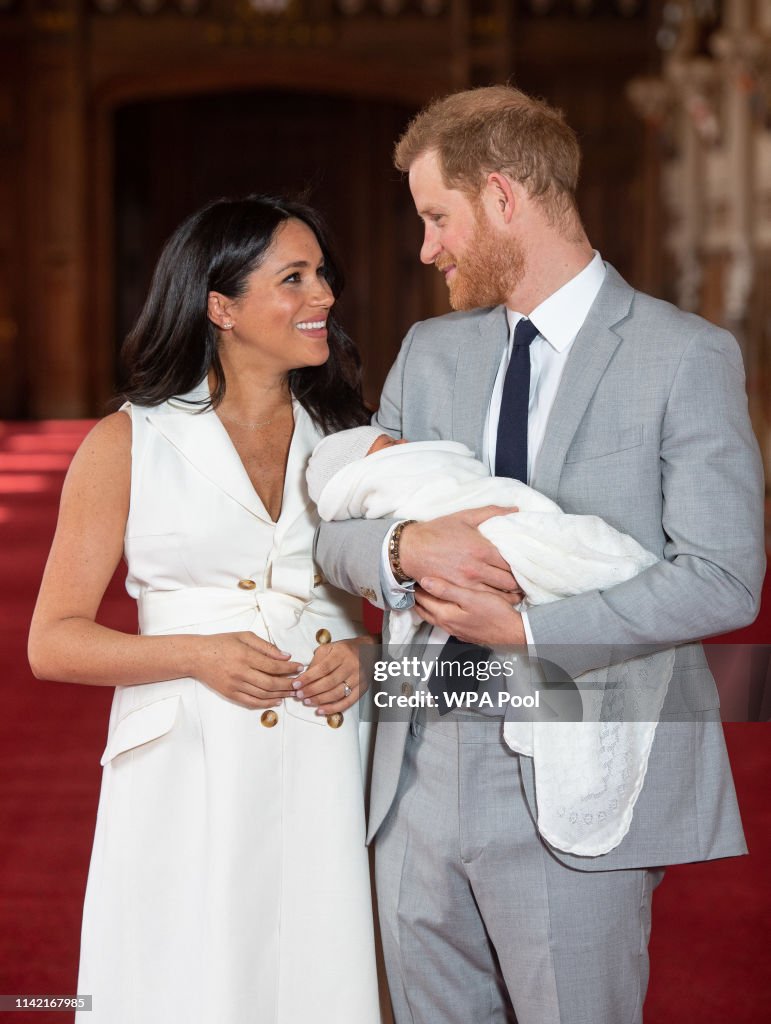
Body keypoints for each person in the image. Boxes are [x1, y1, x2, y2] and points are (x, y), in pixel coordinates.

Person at [315, 86, 766, 1024]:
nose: (428, 246)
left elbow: (724, 577)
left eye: (439, 217)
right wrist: (403, 545)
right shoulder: (429, 352)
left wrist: (526, 626)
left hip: (578, 768)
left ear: (503, 197)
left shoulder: (684, 356)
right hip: (417, 770)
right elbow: (337, 527)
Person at [27, 195, 382, 1024]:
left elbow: (387, 598)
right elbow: (53, 642)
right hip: (185, 758)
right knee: (182, 982)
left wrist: (367, 655)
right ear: (219, 306)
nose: (322, 295)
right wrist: (193, 653)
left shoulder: (350, 437)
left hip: (331, 753)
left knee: (323, 976)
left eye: (321, 273)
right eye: (292, 278)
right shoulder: (128, 442)